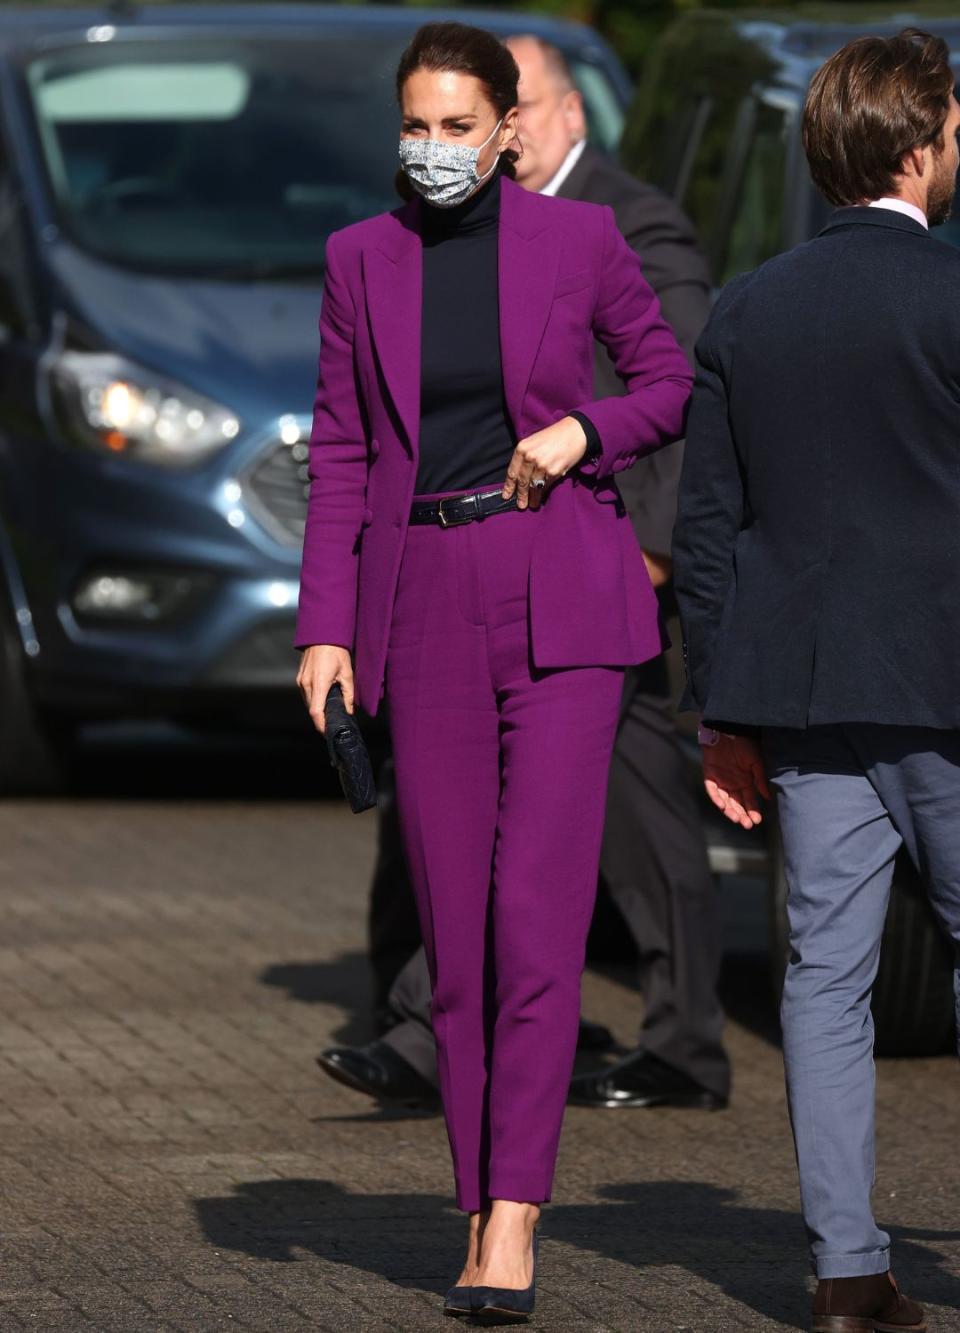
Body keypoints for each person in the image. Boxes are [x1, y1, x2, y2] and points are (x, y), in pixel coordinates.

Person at [296, 20, 691, 1321]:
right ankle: (475, 1199)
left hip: (564, 594)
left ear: (511, 130)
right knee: (453, 937)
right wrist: (326, 625)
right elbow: (345, 452)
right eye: (414, 125)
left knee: (534, 922)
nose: (432, 149)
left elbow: (672, 377)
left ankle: (513, 1213)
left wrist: (585, 428)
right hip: (428, 603)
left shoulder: (578, 241)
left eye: (457, 126)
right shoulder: (361, 258)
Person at [672, 28, 960, 1332]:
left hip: (800, 697)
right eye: (955, 131)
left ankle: (847, 1273)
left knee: (825, 988)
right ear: (918, 150)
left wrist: (714, 716)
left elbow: (708, 535)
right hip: (946, 693)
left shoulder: (746, 309)